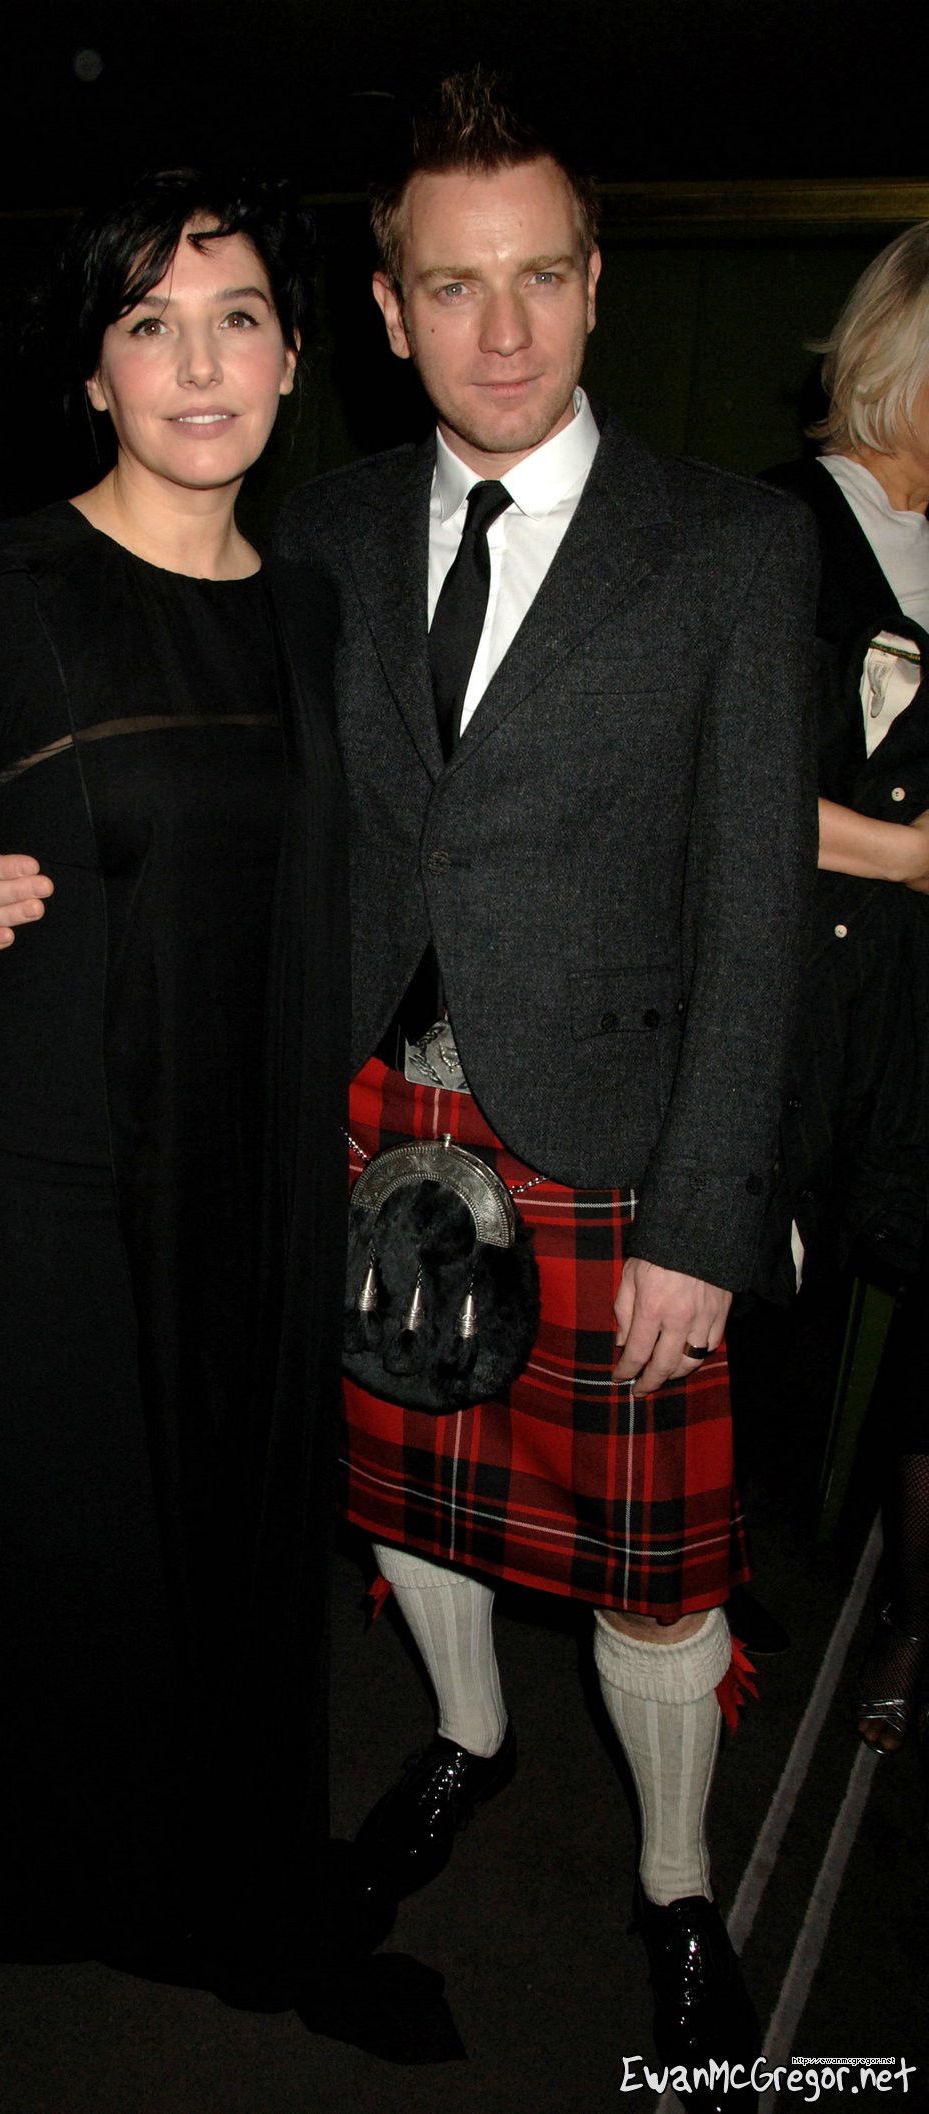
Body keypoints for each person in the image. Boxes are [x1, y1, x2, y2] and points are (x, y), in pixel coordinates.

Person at [0, 80, 818, 2107]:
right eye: (451, 286)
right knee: (408, 1510)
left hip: (612, 1150)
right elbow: (175, 756)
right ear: (387, 306)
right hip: (346, 1124)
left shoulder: (732, 545)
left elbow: (759, 905)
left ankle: (678, 1885)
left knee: (657, 1575)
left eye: (540, 279)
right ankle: (466, 1736)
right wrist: (5, 855)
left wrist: (707, 1209)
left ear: (596, 284)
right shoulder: (319, 532)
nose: (500, 332)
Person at [0, 169, 372, 2000]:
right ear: (95, 373)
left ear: (294, 352)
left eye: (236, 319)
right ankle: (77, 1880)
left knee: (221, 1532)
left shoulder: (314, 613)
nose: (199, 366)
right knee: (67, 1550)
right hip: (38, 1167)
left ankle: (206, 1849)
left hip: (242, 1164)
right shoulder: (9, 589)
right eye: (150, 325)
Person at [761, 223, 929, 1761]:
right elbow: (715, 791)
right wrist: (913, 853)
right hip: (801, 997)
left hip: (914, 1003)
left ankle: (906, 1608)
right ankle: (720, 1601)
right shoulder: (782, 526)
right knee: (776, 1315)